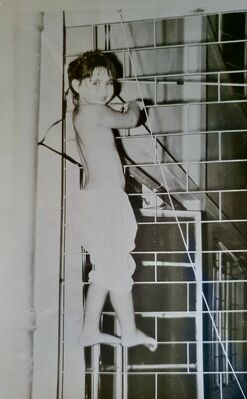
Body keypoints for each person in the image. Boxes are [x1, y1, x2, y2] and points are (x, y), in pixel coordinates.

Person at [68, 50, 157, 351]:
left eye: (109, 83)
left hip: (97, 201)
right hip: (105, 202)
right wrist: (134, 105)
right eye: (96, 83)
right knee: (114, 266)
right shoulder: (93, 112)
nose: (105, 89)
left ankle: (92, 330)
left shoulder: (82, 113)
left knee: (107, 269)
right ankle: (126, 332)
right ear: (77, 85)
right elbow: (130, 119)